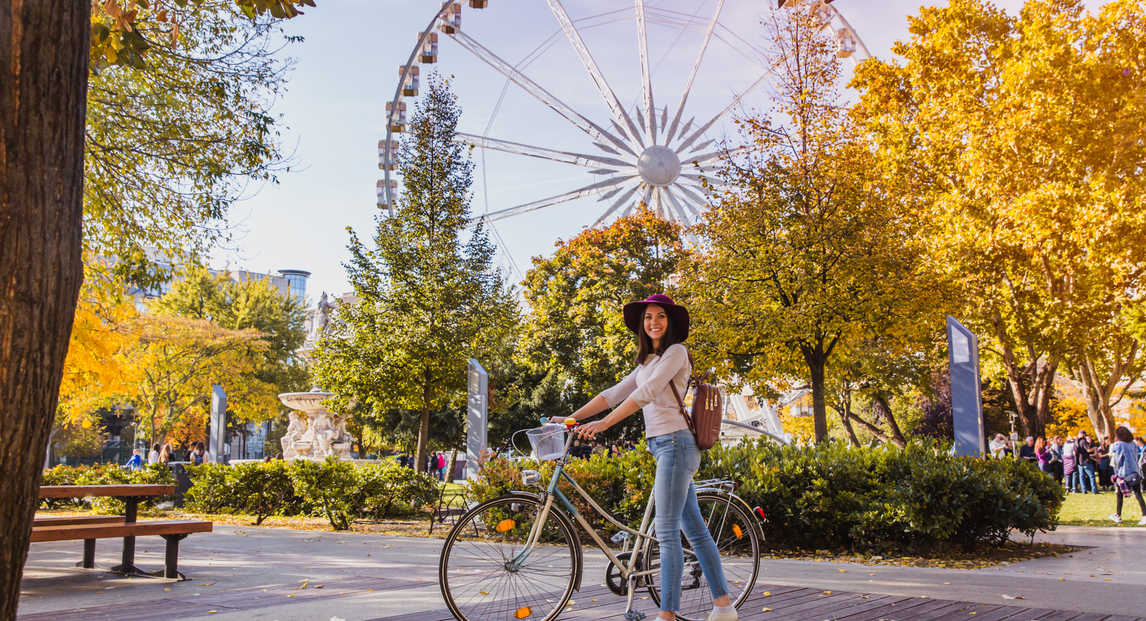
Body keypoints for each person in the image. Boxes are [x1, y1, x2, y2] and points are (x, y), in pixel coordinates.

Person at [568, 293, 736, 621]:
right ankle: (724, 606)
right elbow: (613, 394)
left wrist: (603, 424)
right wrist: (571, 419)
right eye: (647, 318)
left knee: (667, 530)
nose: (653, 322)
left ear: (670, 322)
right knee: (695, 532)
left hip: (676, 445)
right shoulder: (647, 363)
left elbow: (643, 395)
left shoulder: (676, 353)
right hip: (663, 447)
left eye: (659, 316)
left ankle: (668, 615)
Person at [1107, 426, 1146, 525]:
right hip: (1134, 471)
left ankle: (1118, 515)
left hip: (1124, 473)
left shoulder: (1119, 444)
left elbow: (1117, 460)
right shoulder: (1132, 443)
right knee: (1138, 494)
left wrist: (1116, 471)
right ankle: (1144, 515)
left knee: (1119, 494)